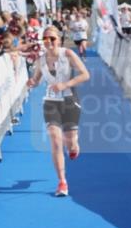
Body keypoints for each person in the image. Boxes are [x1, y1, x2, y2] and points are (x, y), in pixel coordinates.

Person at [27, 25, 90, 197]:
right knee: (55, 140)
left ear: (59, 40)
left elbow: (85, 75)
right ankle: (62, 181)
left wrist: (65, 84)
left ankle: (74, 146)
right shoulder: (41, 60)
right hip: (51, 102)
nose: (48, 41)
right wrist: (32, 82)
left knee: (70, 142)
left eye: (52, 38)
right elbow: (37, 79)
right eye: (45, 39)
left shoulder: (68, 54)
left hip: (70, 101)